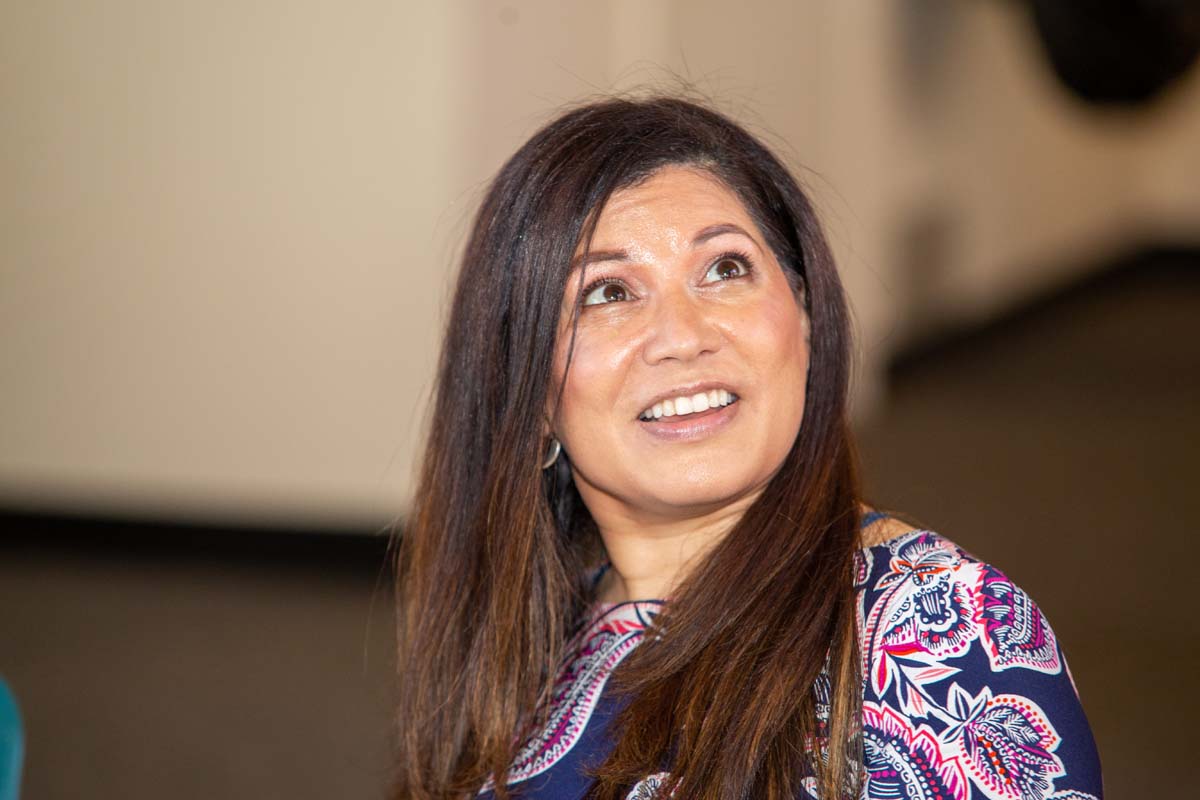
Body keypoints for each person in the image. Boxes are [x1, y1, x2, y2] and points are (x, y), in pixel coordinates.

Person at [391, 95, 1102, 800]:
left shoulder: (939, 636)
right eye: (607, 292)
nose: (683, 335)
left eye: (725, 269)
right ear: (531, 392)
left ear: (805, 316)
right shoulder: (531, 641)